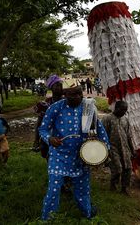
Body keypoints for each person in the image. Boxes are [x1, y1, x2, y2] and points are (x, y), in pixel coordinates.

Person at [38, 86, 110, 220]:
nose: (77, 97)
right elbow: (43, 129)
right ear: (65, 96)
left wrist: (106, 149)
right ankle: (47, 219)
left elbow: (100, 129)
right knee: (54, 188)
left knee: (82, 190)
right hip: (58, 155)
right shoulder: (55, 108)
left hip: (81, 157)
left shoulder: (88, 108)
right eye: (72, 95)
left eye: (79, 94)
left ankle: (88, 214)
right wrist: (49, 139)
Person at [102, 101, 134, 195]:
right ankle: (113, 186)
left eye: (126, 110)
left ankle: (125, 188)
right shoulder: (107, 118)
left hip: (125, 148)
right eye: (123, 110)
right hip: (112, 148)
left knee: (128, 168)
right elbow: (102, 135)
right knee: (117, 168)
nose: (124, 112)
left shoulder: (125, 119)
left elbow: (129, 136)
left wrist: (132, 150)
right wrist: (105, 151)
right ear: (117, 108)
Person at [33, 75, 64, 158]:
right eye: (56, 85)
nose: (59, 87)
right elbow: (39, 123)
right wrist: (36, 140)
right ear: (51, 88)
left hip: (64, 134)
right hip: (49, 135)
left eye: (60, 85)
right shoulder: (45, 104)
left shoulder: (67, 102)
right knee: (47, 154)